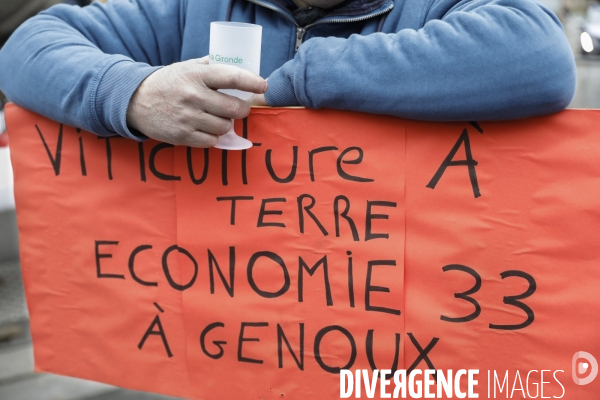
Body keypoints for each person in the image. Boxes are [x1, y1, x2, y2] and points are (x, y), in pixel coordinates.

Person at [0, 0, 576, 148]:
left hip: (402, 335)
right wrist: (131, 92)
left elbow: (539, 59)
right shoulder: (187, 5)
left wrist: (294, 83)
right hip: (229, 331)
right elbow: (26, 47)